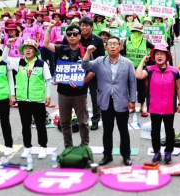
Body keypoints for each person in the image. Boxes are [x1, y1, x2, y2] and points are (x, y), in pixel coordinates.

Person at [82, 36, 136, 166]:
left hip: (121, 101)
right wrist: (88, 53)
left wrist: (133, 100)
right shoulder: (100, 61)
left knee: (123, 131)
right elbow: (85, 66)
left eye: (115, 44)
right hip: (105, 101)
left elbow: (132, 83)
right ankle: (107, 155)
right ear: (106, 47)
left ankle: (126, 155)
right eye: (109, 44)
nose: (112, 46)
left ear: (120, 46)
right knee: (107, 131)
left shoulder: (128, 63)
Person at [44, 22, 95, 148]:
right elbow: (45, 44)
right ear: (66, 36)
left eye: (75, 34)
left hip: (80, 93)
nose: (72, 36)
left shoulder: (86, 51)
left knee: (83, 122)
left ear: (79, 37)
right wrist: (50, 29)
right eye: (69, 34)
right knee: (65, 122)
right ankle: (68, 146)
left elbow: (92, 72)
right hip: (63, 93)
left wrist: (82, 83)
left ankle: (84, 146)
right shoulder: (61, 49)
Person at [3, 38, 52, 158]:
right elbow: (4, 59)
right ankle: (27, 147)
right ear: (22, 51)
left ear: (35, 51)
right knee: (25, 125)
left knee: (40, 124)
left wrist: (48, 95)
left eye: (30, 48)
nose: (28, 50)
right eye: (25, 48)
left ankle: (43, 147)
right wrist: (8, 46)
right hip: (22, 99)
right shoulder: (18, 62)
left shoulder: (42, 64)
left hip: (37, 99)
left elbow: (48, 80)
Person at [136, 44, 180, 164]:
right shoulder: (149, 70)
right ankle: (157, 152)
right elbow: (138, 75)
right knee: (155, 131)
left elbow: (178, 88)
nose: (159, 56)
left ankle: (168, 152)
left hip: (169, 107)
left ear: (167, 56)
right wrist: (143, 60)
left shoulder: (174, 71)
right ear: (153, 56)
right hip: (154, 107)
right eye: (157, 54)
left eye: (162, 54)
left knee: (169, 130)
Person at [62, 17, 105, 130]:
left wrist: (94, 72)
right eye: (82, 25)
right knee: (78, 98)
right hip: (76, 72)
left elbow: (101, 58)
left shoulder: (98, 40)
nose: (84, 27)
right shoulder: (73, 37)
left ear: (91, 27)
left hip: (93, 73)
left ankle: (95, 120)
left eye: (86, 25)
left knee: (95, 98)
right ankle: (80, 120)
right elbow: (62, 52)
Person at [120, 24, 154, 117]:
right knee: (129, 87)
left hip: (141, 68)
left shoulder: (145, 41)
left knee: (141, 87)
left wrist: (149, 56)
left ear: (141, 33)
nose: (136, 34)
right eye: (134, 32)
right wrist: (121, 48)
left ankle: (143, 106)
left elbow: (154, 49)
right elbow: (122, 53)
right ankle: (131, 105)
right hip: (128, 67)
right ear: (131, 32)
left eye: (138, 32)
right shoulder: (126, 41)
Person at [0, 48, 15, 156]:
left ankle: (8, 145)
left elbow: (10, 79)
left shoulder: (4, 61)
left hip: (3, 96)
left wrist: (12, 94)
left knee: (5, 122)